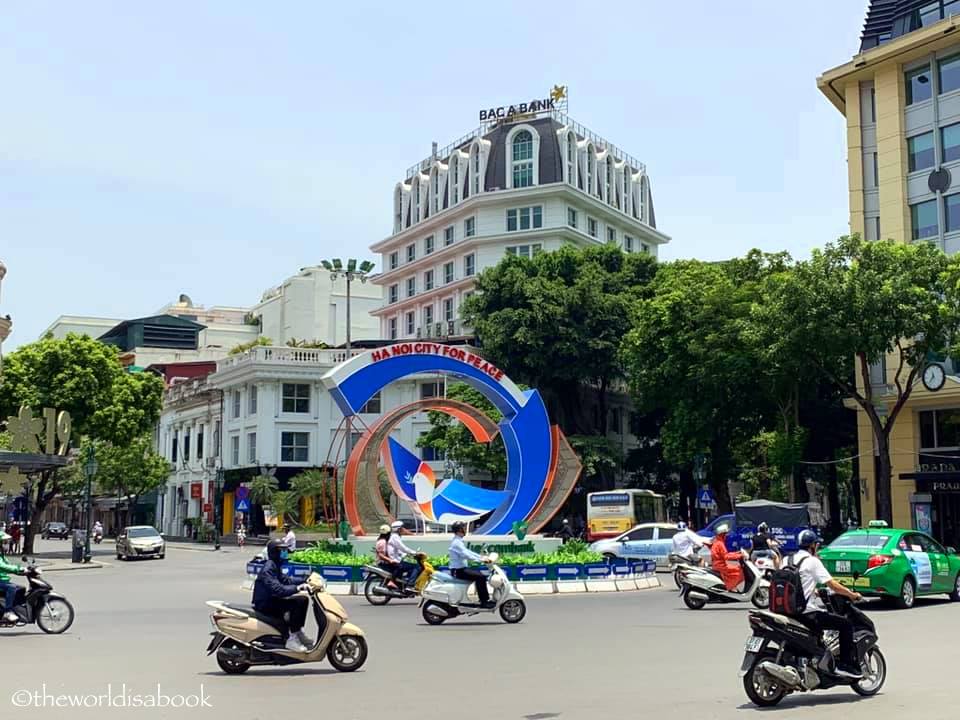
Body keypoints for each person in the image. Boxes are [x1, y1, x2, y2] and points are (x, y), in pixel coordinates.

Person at [791, 529, 864, 679]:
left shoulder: (788, 559)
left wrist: (813, 592)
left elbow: (794, 585)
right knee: (845, 625)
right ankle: (845, 665)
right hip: (806, 613)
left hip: (787, 611)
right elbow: (832, 585)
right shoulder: (812, 561)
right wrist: (852, 595)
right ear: (813, 545)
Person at [252, 538, 312, 652]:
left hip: (271, 599)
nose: (285, 552)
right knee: (294, 605)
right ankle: (291, 639)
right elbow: (278, 589)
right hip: (265, 603)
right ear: (275, 552)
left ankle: (297, 631)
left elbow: (287, 580)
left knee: (303, 600)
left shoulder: (275, 565)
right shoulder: (268, 569)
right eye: (282, 550)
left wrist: (305, 579)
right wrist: (297, 588)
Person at [448, 521, 493, 608]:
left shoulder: (458, 541)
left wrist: (481, 557)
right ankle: (484, 601)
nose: (465, 529)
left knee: (479, 575)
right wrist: (481, 560)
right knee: (481, 577)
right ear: (459, 530)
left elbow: (468, 552)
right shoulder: (456, 543)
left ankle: (483, 600)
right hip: (458, 571)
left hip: (461, 569)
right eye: (463, 528)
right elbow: (467, 555)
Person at [0, 531, 26, 624]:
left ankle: (17, 611)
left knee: (21, 589)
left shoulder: (2, 556)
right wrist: (18, 569)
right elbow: (3, 567)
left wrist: (23, 569)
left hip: (3, 580)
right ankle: (7, 611)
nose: (5, 545)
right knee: (11, 588)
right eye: (3, 542)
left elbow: (9, 565)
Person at [710, 523, 744, 591]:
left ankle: (730, 587)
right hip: (720, 566)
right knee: (738, 570)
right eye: (725, 534)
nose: (727, 536)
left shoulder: (718, 542)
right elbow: (726, 556)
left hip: (717, 564)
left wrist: (737, 553)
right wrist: (740, 555)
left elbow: (725, 554)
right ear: (722, 534)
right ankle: (730, 587)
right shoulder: (720, 544)